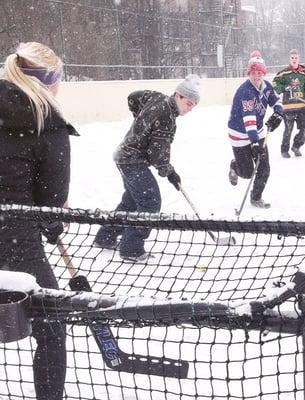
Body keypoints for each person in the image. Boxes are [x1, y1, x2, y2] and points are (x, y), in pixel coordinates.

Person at [0, 42, 79, 400]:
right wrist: (52, 223)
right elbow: (50, 203)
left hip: (15, 229)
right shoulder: (48, 121)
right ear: (47, 81)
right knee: (52, 327)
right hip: (15, 238)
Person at [93, 74, 200, 259]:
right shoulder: (167, 116)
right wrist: (169, 172)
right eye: (189, 103)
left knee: (132, 201)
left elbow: (134, 97)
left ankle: (106, 237)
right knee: (150, 202)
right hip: (132, 160)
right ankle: (131, 248)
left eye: (194, 105)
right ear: (178, 96)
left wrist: (140, 121)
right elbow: (157, 154)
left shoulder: (157, 97)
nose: (190, 109)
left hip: (124, 155)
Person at [227, 50, 283, 209]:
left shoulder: (266, 86)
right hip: (239, 134)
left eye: (259, 72)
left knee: (264, 168)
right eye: (253, 72)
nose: (257, 76)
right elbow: (248, 120)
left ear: (263, 73)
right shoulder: (246, 91)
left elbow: (276, 101)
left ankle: (256, 197)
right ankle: (234, 166)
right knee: (247, 173)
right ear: (249, 73)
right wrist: (254, 144)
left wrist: (279, 113)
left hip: (257, 132)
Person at [272, 49, 305, 158]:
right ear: (290, 59)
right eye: (292, 58)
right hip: (288, 107)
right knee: (288, 130)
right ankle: (284, 150)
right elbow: (275, 84)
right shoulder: (283, 73)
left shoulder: (304, 74)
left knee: (304, 129)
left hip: (302, 107)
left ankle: (296, 146)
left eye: (296, 58)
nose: (294, 60)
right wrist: (284, 88)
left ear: (299, 58)